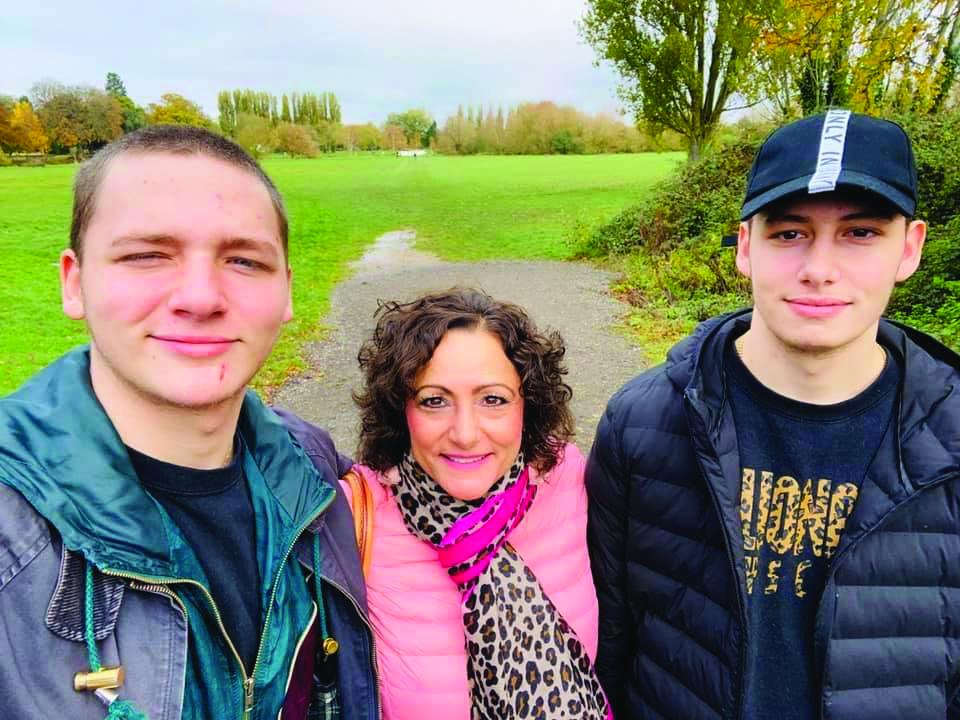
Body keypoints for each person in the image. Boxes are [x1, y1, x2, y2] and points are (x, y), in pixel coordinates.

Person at [587, 110, 960, 720]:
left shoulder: (952, 439)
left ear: (910, 248)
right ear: (745, 247)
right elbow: (608, 646)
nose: (819, 269)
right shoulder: (642, 423)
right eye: (789, 234)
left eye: (860, 233)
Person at [0, 125, 378, 719]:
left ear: (285, 292)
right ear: (74, 283)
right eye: (146, 256)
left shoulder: (312, 467)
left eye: (244, 260)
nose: (201, 298)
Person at [343, 287, 612, 719]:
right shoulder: (358, 511)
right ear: (400, 409)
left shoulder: (565, 477)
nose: (465, 434)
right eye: (434, 401)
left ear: (527, 405)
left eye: (493, 399)